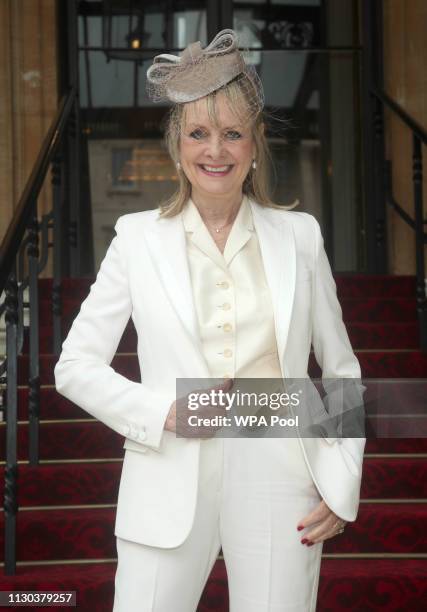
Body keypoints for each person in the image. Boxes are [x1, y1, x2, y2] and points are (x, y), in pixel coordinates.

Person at [54, 28, 366, 612]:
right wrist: (160, 412)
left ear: (255, 144)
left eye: (232, 134)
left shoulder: (300, 237)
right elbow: (74, 366)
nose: (215, 151)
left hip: (283, 469)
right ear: (177, 146)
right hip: (167, 473)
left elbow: (342, 367)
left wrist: (341, 480)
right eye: (198, 134)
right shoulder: (136, 239)